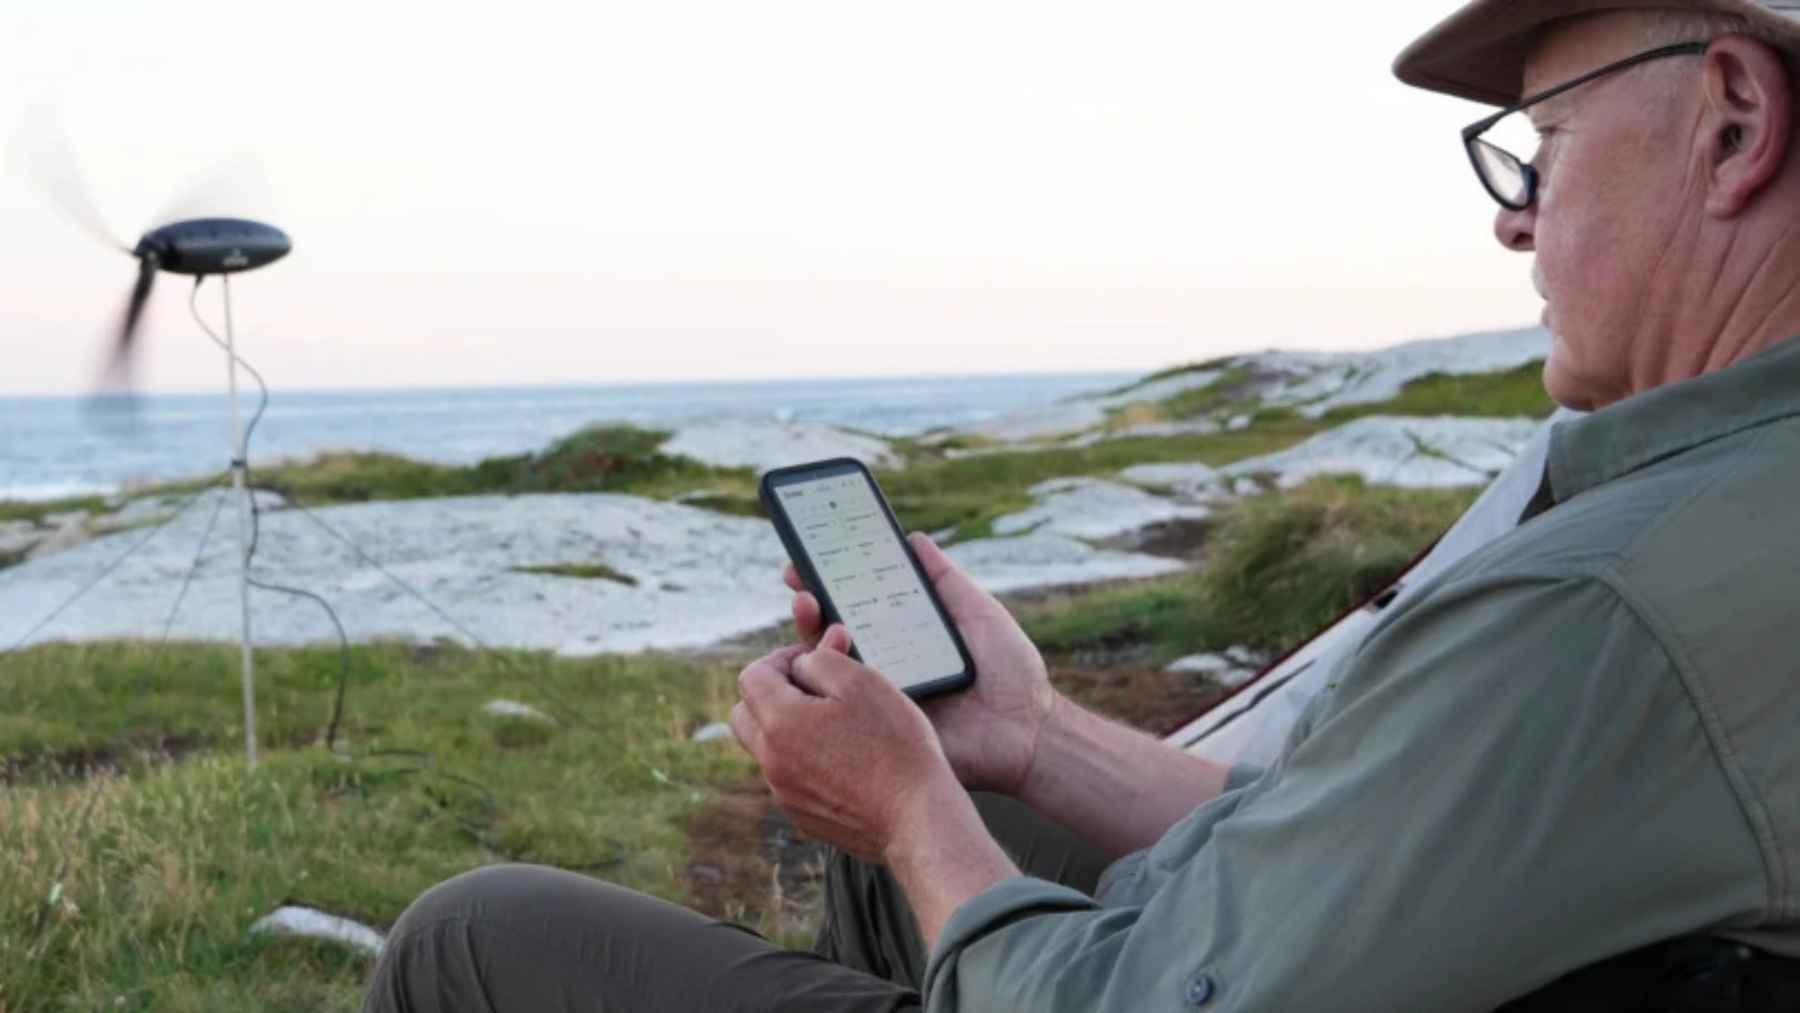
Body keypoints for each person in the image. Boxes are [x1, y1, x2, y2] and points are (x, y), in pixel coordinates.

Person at [362, 2, 1800, 1009]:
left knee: (468, 938)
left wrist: (918, 811)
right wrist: (1024, 740)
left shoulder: (1609, 599)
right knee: (976, 799)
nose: (1513, 213)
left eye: (1542, 143)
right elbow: (1385, 846)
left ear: (1733, 124)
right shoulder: (1720, 508)